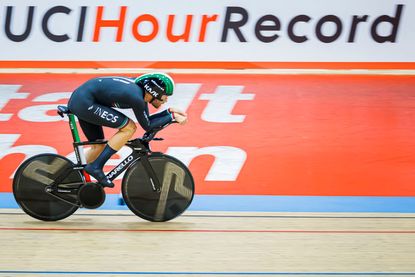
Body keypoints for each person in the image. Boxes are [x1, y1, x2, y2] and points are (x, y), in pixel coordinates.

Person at [67, 72, 187, 187]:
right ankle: (96, 167)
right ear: (154, 92)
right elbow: (148, 126)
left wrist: (169, 112)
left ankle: (67, 174)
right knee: (129, 128)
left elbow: (148, 121)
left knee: (98, 146)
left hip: (82, 98)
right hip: (85, 102)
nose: (166, 99)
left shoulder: (140, 92)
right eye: (165, 95)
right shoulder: (136, 98)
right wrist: (172, 117)